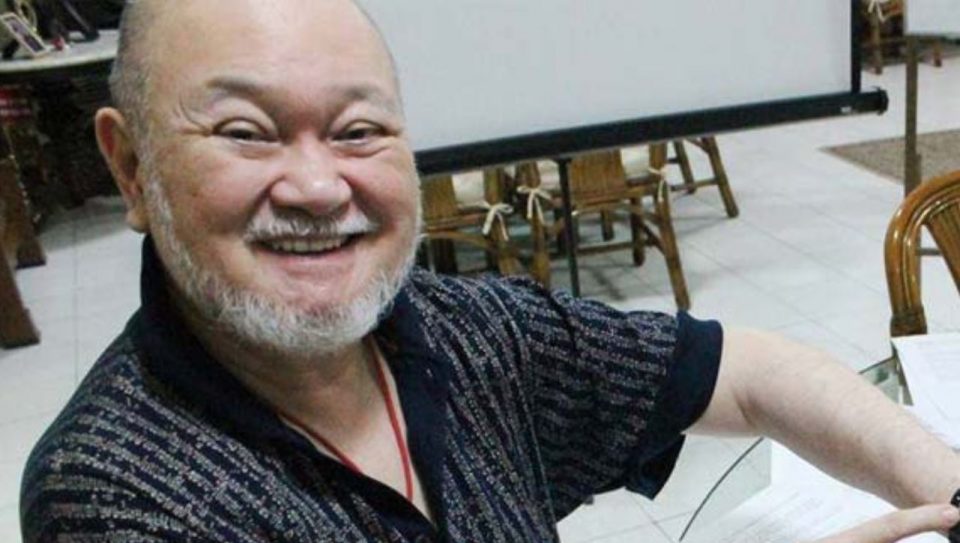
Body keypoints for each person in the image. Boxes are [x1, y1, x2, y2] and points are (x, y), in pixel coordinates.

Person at [19, 1, 960, 541]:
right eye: (245, 132)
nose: (316, 185)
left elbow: (746, 370)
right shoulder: (114, 489)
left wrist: (947, 490)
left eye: (358, 130)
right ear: (132, 167)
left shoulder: (467, 331)